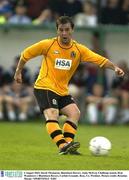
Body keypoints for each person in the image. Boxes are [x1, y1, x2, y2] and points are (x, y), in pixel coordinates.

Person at [14, 16, 124, 155]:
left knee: (75, 113)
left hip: (62, 91)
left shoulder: (78, 50)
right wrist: (18, 72)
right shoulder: (47, 45)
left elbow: (99, 60)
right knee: (52, 114)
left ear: (72, 30)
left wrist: (114, 68)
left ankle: (68, 146)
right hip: (45, 87)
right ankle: (62, 146)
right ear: (57, 30)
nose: (64, 33)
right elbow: (25, 54)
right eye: (61, 30)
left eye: (67, 30)